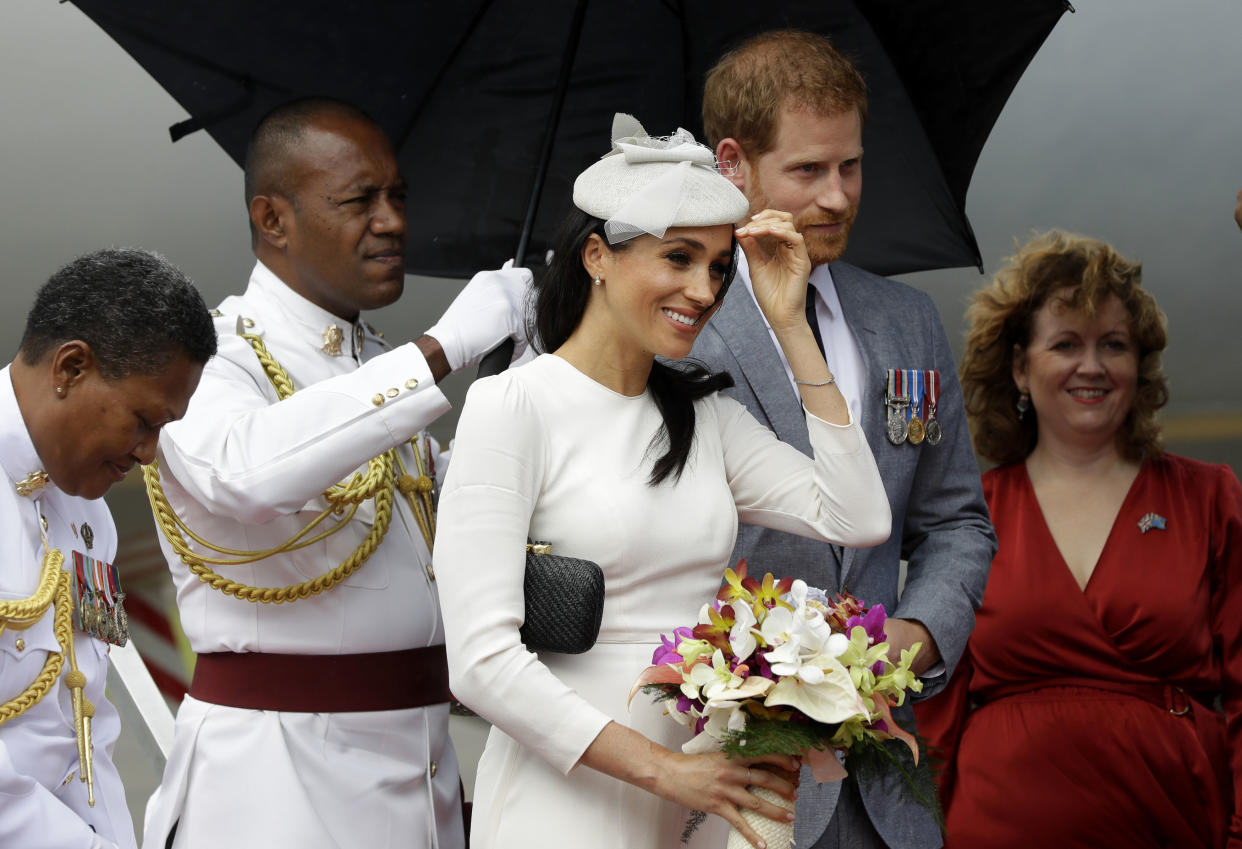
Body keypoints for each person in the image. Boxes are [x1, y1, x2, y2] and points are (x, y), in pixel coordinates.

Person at [434, 114, 892, 849]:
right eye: (678, 257)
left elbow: (859, 513)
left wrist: (791, 325)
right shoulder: (514, 405)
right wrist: (662, 771)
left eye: (716, 265)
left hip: (698, 795)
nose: (703, 288)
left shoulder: (702, 414)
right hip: (568, 796)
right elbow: (481, 664)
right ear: (596, 256)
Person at [140, 97, 531, 849]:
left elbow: (464, 525)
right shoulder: (209, 354)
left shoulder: (373, 366)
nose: (391, 222)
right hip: (277, 784)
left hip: (421, 766)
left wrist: (533, 379)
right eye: (360, 201)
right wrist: (441, 348)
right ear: (273, 219)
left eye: (398, 198)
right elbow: (246, 473)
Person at [690, 29, 996, 849]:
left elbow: (958, 520)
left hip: (884, 788)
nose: (836, 197)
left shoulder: (906, 321)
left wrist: (921, 629)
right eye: (807, 171)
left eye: (850, 166)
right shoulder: (680, 330)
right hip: (730, 777)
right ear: (733, 164)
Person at [912, 230, 1240, 848]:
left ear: (1137, 364)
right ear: (1019, 366)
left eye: (1112, 344)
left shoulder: (1209, 499)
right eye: (1066, 344)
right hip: (995, 827)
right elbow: (934, 712)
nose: (1091, 366)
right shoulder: (968, 515)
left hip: (1172, 821)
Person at [1, 248, 215, 849]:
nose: (148, 452)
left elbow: (84, 736)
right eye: (143, 421)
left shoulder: (87, 513)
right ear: (70, 368)